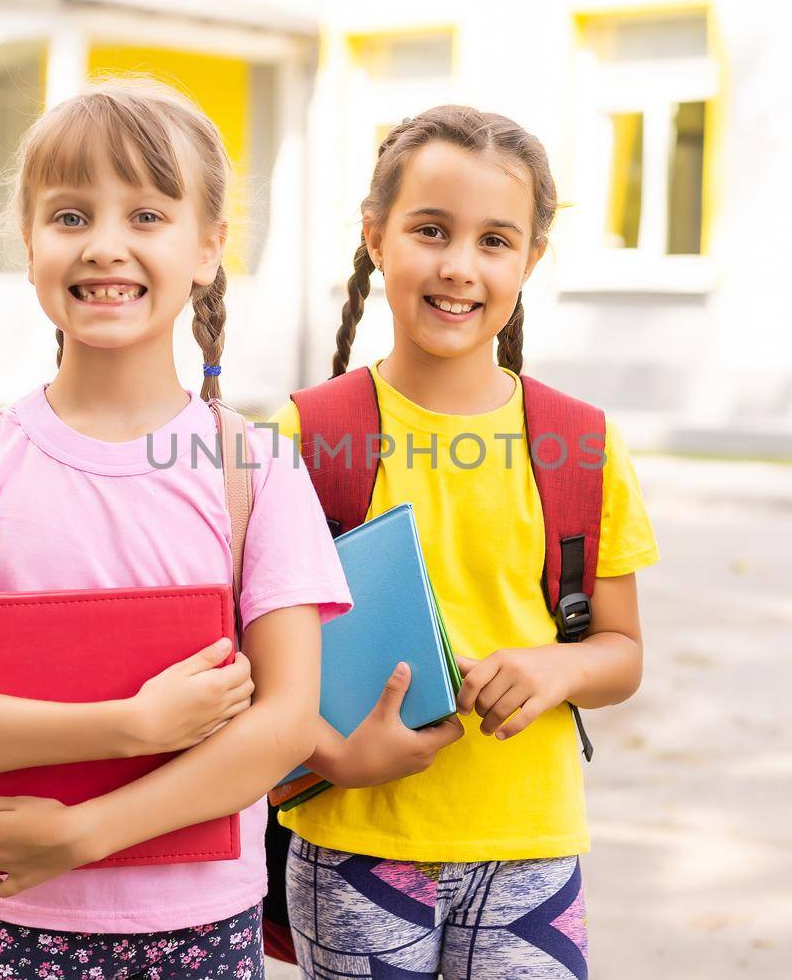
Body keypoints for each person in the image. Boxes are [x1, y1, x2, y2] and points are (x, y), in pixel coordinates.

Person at [0, 77, 350, 980]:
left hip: (203, 923)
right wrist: (129, 724)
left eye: (148, 216)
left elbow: (284, 725)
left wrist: (81, 833)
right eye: (72, 214)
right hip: (21, 921)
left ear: (209, 248)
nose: (106, 245)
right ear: (30, 243)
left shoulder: (258, 471)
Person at [271, 104, 659, 979]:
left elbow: (622, 650)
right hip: (353, 842)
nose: (458, 266)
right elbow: (260, 660)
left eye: (494, 240)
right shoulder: (307, 435)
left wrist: (558, 666)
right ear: (376, 236)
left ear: (532, 258)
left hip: (530, 848)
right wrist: (337, 755)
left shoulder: (582, 444)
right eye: (430, 230)